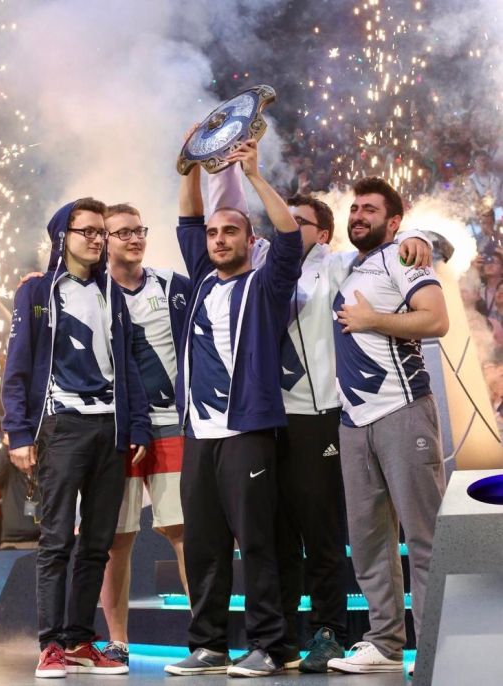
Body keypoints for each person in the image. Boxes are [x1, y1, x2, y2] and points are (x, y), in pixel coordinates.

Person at [208, 166, 432, 674]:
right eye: (281, 220)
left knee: (322, 531)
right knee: (277, 533)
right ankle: (281, 640)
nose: (284, 226)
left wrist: (418, 235)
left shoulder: (338, 266)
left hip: (322, 415)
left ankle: (330, 631)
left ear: (324, 234)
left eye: (299, 221)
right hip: (268, 418)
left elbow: (397, 251)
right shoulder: (261, 268)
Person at [164, 138, 302, 679]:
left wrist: (255, 177)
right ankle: (209, 645)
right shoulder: (202, 279)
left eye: (230, 231)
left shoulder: (266, 285)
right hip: (199, 433)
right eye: (214, 233)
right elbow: (188, 216)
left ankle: (271, 645)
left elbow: (288, 237)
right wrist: (189, 162)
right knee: (204, 545)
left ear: (250, 240)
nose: (219, 239)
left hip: (247, 430)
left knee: (257, 542)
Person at [2, 197, 151, 679]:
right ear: (61, 237)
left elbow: (129, 364)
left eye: (100, 231)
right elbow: (18, 365)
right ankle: (50, 645)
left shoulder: (113, 294)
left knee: (98, 544)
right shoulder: (38, 291)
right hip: (61, 427)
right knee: (56, 540)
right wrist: (17, 430)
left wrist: (138, 424)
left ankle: (80, 641)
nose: (96, 239)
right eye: (86, 230)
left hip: (111, 430)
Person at [326, 177, 449, 675]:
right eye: (354, 208)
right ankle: (385, 643)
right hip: (354, 420)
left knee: (424, 536)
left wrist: (373, 319)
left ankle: (437, 645)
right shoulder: (349, 267)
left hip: (402, 409)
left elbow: (436, 320)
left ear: (394, 221)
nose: (358, 216)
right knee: (370, 541)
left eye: (370, 210)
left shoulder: (404, 255)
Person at [99, 203, 191, 665]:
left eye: (139, 230)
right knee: (117, 539)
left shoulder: (173, 286)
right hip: (119, 433)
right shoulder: (91, 293)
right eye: (123, 233)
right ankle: (118, 642)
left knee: (183, 531)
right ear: (104, 241)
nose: (135, 238)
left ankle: (206, 638)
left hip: (173, 424)